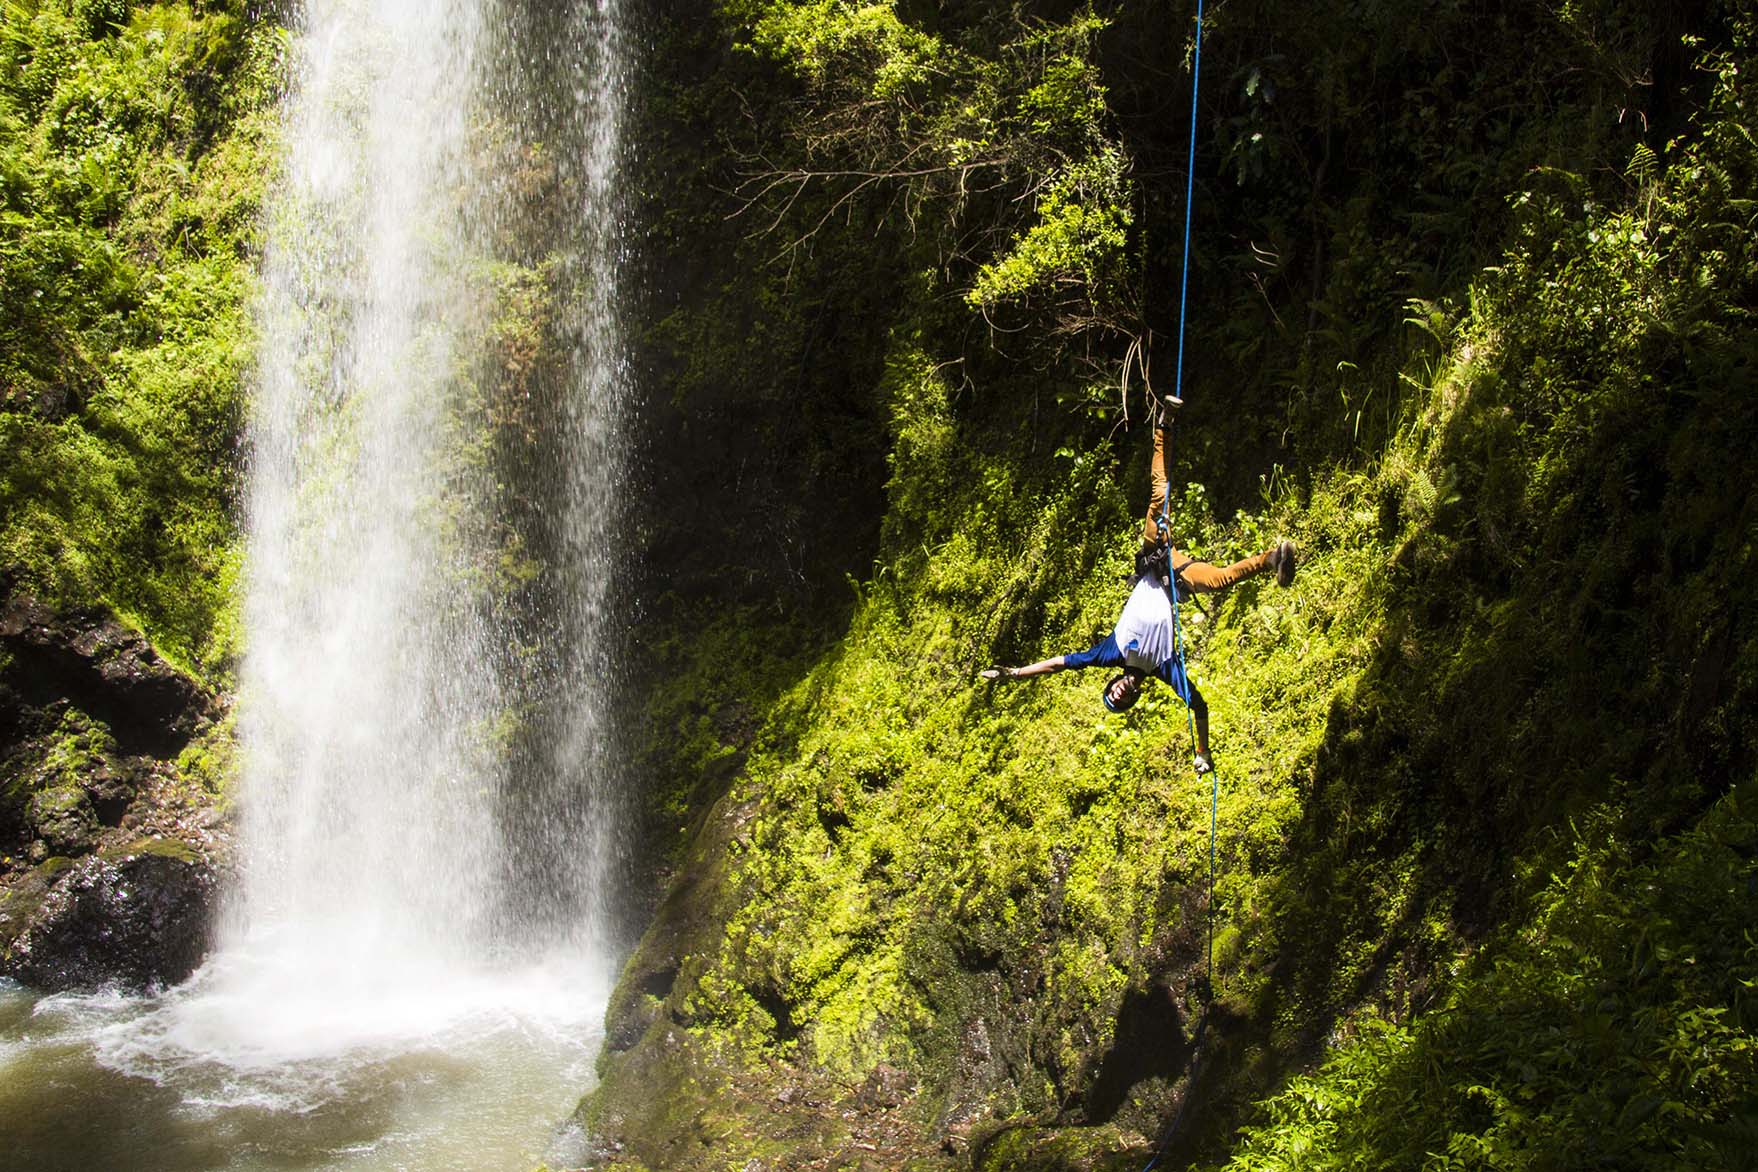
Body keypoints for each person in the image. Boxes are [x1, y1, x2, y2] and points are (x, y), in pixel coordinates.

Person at [980, 400, 1296, 774]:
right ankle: (1274, 557)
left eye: (1113, 692)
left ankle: (1163, 424)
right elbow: (1198, 705)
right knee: (1220, 579)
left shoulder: (1111, 652)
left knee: (1159, 495)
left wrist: (1015, 673)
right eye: (1123, 699)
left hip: (1154, 559)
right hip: (1176, 579)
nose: (1121, 692)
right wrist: (1203, 752)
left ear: (1113, 681)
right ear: (1135, 696)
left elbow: (1059, 665)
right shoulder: (1165, 667)